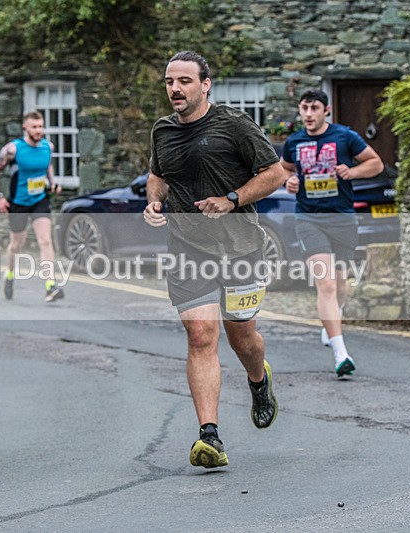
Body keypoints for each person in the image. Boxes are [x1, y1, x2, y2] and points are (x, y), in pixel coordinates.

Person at [144, 51, 285, 469]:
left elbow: (275, 175)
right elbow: (158, 176)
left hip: (240, 248)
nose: (175, 89)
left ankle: (259, 380)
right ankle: (210, 437)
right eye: (170, 81)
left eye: (184, 81)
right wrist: (154, 203)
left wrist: (232, 200)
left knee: (241, 335)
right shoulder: (162, 131)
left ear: (205, 85)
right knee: (201, 335)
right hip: (188, 247)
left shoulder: (235, 125)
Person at [279, 89, 384, 377]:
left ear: (326, 111)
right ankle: (341, 352)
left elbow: (375, 163)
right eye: (304, 108)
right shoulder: (294, 142)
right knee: (324, 284)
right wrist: (289, 181)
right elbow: (283, 170)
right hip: (309, 219)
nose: (309, 114)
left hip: (342, 218)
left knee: (341, 286)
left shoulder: (345, 137)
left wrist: (352, 172)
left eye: (314, 108)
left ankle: (331, 324)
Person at [0, 110, 64, 303]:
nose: (39, 130)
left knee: (45, 241)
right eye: (35, 127)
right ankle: (10, 275)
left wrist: (52, 182)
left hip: (40, 199)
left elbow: (47, 166)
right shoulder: (13, 149)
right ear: (25, 127)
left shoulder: (48, 147)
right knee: (16, 245)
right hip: (19, 202)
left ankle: (50, 285)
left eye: (41, 126)